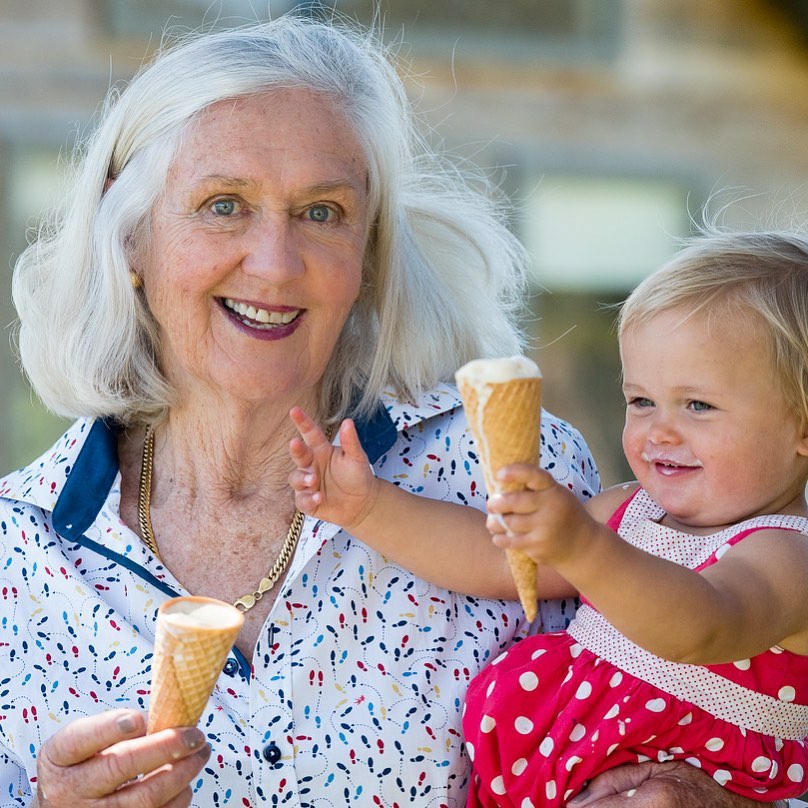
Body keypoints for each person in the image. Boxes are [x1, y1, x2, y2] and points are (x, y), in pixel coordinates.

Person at [1, 14, 603, 808]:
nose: (276, 265)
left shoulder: (511, 480)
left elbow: (723, 714)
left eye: (322, 212)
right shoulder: (18, 554)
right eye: (223, 205)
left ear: (370, 252)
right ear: (132, 236)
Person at [289, 228, 808, 806]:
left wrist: (583, 547)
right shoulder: (629, 513)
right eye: (641, 401)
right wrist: (368, 507)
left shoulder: (787, 554)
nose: (658, 430)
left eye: (698, 405)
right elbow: (498, 561)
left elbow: (705, 624)